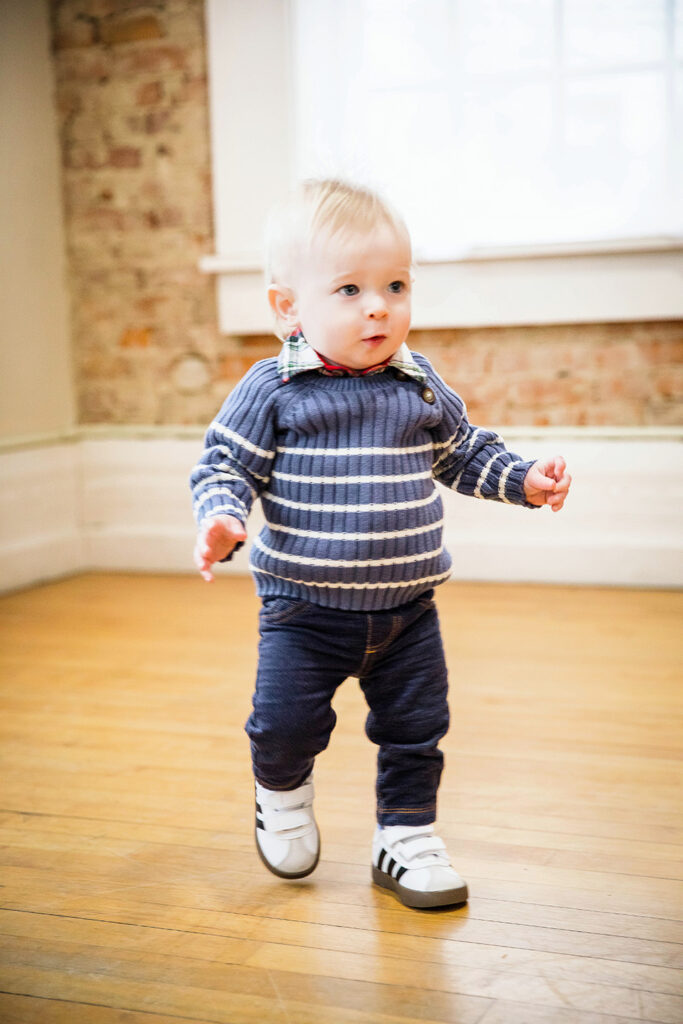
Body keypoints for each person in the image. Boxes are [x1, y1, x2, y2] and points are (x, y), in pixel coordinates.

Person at [190, 179, 571, 909]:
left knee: (416, 730)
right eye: (349, 289)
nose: (378, 305)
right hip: (303, 612)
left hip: (408, 612)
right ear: (287, 308)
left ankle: (405, 835)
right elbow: (224, 464)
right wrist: (221, 517)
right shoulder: (273, 389)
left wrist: (521, 479)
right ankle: (283, 792)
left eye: (395, 285)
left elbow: (462, 453)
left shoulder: (418, 382)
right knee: (284, 725)